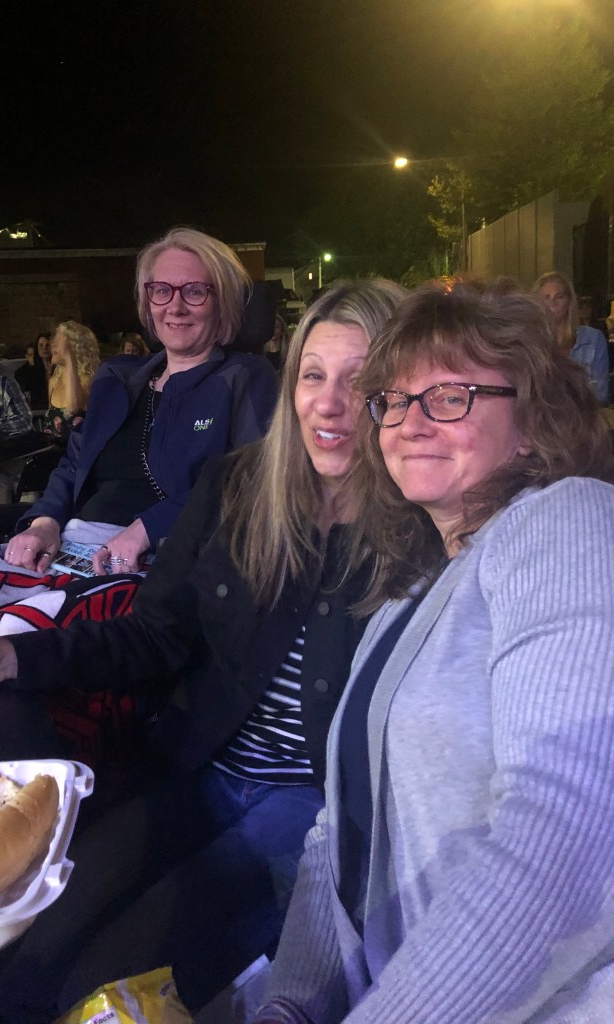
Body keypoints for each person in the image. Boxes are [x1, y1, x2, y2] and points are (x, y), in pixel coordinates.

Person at [0, 280, 406, 1020]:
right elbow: (155, 629)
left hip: (311, 807)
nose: (330, 403)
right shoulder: (238, 486)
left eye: (360, 380)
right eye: (313, 375)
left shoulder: (419, 520)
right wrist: (14, 656)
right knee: (28, 946)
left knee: (113, 977)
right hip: (198, 765)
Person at [255, 279, 614, 1024]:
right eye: (393, 399)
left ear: (533, 419)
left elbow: (565, 834)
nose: (410, 422)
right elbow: (338, 834)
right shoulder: (413, 585)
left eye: (450, 396)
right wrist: (289, 1004)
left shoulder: (568, 521)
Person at [2, 226, 280, 575]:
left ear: (222, 303)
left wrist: (149, 528)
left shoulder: (245, 377)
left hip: (168, 561)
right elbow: (75, 463)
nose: (175, 307)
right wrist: (45, 521)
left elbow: (251, 480)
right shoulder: (117, 377)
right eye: (161, 290)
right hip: (72, 552)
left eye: (195, 291)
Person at [534, 270, 609, 403]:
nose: (553, 303)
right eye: (546, 297)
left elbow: (600, 393)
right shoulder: (530, 340)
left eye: (559, 297)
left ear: (569, 301)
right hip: (542, 414)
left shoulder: (594, 339)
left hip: (585, 413)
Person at [42, 320, 100, 440]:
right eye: (54, 340)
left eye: (59, 341)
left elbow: (73, 406)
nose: (53, 345)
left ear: (74, 346)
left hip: (77, 448)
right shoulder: (54, 381)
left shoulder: (88, 380)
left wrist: (69, 357)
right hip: (54, 449)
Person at [14, 337, 50, 410]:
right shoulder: (21, 372)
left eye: (35, 354)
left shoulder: (46, 368)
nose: (33, 357)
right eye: (31, 355)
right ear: (26, 356)